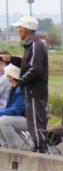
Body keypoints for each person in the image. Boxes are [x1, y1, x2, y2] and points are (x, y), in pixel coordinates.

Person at [1, 16, 50, 152]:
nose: (18, 31)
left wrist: (22, 81)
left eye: (20, 28)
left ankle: (40, 148)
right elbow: (26, 63)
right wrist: (11, 59)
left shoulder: (35, 44)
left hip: (34, 91)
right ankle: (38, 147)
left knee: (35, 121)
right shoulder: (33, 44)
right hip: (32, 91)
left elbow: (35, 69)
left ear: (26, 30)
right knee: (34, 121)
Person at [0, 64, 27, 148]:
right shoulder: (14, 88)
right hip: (20, 117)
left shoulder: (20, 90)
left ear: (11, 77)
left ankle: (12, 148)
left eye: (7, 74)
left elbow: (16, 110)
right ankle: (4, 147)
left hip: (29, 120)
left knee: (4, 121)